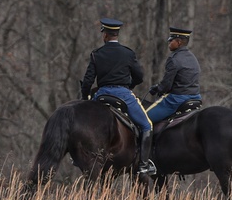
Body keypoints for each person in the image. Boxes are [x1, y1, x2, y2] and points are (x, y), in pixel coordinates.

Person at [79, 17, 154, 176]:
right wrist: (130, 86)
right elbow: (140, 77)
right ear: (116, 34)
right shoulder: (128, 53)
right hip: (123, 94)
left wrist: (85, 98)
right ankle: (143, 165)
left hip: (102, 94)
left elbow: (87, 82)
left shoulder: (96, 54)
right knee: (147, 126)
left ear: (105, 34)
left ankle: (78, 157)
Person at [146, 26, 202, 123]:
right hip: (196, 97)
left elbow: (166, 85)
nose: (169, 43)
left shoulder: (174, 59)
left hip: (177, 99)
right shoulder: (192, 57)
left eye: (171, 40)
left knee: (143, 120)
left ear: (179, 42)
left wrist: (157, 88)